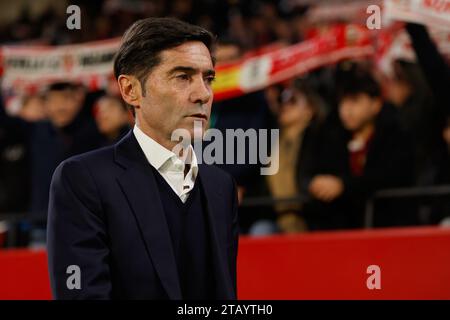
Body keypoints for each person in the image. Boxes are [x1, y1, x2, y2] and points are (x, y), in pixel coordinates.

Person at [47, 17, 238, 300]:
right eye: (182, 76)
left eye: (207, 78)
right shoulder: (82, 180)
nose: (203, 93)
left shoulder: (221, 186)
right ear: (130, 90)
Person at [302, 63, 415, 229]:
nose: (346, 110)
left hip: (387, 229)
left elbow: (388, 177)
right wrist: (316, 183)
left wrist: (344, 186)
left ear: (375, 104)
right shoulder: (333, 138)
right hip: (342, 232)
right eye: (343, 102)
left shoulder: (394, 136)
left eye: (354, 102)